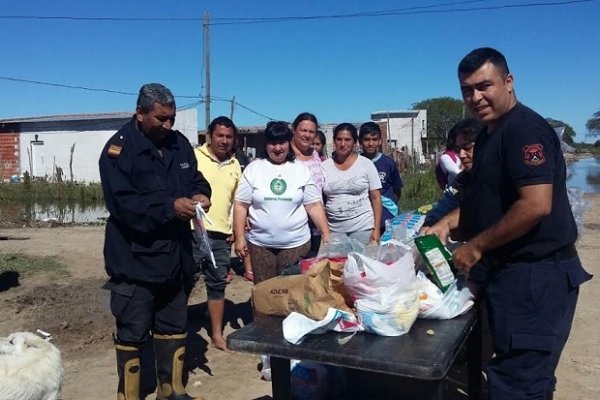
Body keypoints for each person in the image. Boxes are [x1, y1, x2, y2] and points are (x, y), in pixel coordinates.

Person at [424, 47, 592, 399]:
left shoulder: (525, 130)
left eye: (484, 86)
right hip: (508, 273)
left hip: (536, 277)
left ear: (509, 82)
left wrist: (476, 246)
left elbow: (535, 206)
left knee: (520, 383)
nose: (476, 97)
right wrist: (448, 224)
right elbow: (488, 203)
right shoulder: (487, 135)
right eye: (467, 90)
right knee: (507, 371)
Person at [99, 83, 210, 400]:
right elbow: (122, 205)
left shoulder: (179, 144)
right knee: (132, 334)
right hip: (135, 262)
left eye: (171, 118)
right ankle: (130, 394)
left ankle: (171, 390)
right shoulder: (117, 151)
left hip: (175, 258)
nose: (168, 125)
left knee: (173, 326)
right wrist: (170, 207)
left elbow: (195, 179)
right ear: (140, 113)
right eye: (161, 119)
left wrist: (202, 194)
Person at [233, 121, 330, 284]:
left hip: (295, 244)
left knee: (292, 294)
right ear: (266, 144)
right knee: (264, 294)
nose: (277, 148)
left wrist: (326, 234)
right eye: (272, 143)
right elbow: (241, 204)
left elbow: (313, 204)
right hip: (260, 245)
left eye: (282, 142)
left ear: (289, 143)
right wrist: (239, 237)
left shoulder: (300, 169)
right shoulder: (254, 169)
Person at [193, 116, 241, 352]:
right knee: (183, 281)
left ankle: (216, 334)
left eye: (228, 137)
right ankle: (172, 331)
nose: (224, 141)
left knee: (217, 284)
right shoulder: (193, 157)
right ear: (209, 136)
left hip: (221, 234)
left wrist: (235, 229)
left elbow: (236, 201)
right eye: (220, 135)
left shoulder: (235, 165)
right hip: (192, 230)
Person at [322, 123, 382, 244]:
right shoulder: (324, 167)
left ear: (355, 142)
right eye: (339, 139)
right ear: (334, 141)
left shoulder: (366, 164)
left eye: (347, 140)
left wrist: (376, 229)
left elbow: (376, 198)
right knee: (337, 263)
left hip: (363, 228)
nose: (343, 144)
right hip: (334, 231)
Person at [421, 118, 483, 228]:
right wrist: (429, 224)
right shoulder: (462, 181)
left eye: (467, 147)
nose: (462, 155)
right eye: (458, 149)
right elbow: (445, 205)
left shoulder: (502, 179)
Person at [291, 112, 326, 253]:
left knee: (311, 268)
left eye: (311, 131)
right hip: (295, 222)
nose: (307, 135)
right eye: (303, 130)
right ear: (294, 129)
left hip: (315, 222)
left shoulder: (315, 155)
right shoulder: (285, 154)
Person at [359, 122, 403, 232]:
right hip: (364, 217)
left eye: (374, 139)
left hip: (386, 216)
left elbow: (397, 189)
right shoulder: (356, 163)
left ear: (380, 141)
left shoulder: (388, 163)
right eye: (366, 139)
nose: (370, 143)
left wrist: (390, 205)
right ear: (360, 142)